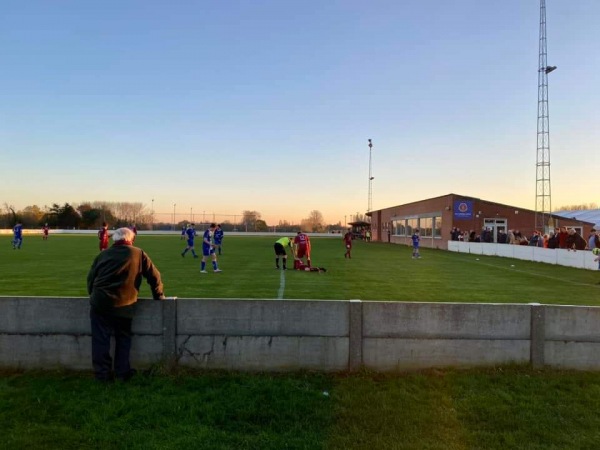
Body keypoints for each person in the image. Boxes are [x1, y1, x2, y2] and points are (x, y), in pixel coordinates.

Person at [87, 227, 167, 382]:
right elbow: (154, 276)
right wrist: (158, 295)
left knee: (100, 340)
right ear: (131, 239)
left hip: (100, 303)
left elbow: (90, 278)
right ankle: (122, 373)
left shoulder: (102, 255)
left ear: (113, 239)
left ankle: (102, 375)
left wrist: (93, 294)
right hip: (125, 304)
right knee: (123, 338)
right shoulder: (138, 253)